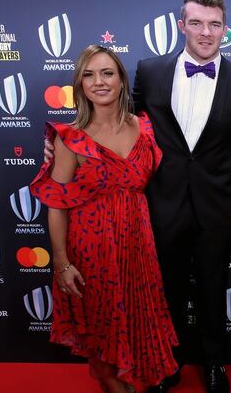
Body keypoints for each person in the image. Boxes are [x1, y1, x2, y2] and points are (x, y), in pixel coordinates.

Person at [46, 0, 231, 393]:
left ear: (225, 30)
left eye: (214, 25)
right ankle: (167, 363)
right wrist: (65, 145)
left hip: (218, 205)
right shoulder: (151, 70)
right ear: (182, 26)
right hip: (159, 203)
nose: (205, 32)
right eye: (196, 23)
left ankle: (215, 365)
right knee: (165, 289)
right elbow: (122, 122)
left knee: (214, 288)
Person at [30, 45, 178, 393]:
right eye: (89, 74)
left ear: (122, 80)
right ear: (79, 84)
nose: (99, 82)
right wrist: (62, 263)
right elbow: (56, 204)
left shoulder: (145, 129)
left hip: (137, 250)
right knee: (100, 335)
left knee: (135, 329)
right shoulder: (71, 139)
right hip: (91, 253)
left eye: (107, 73)